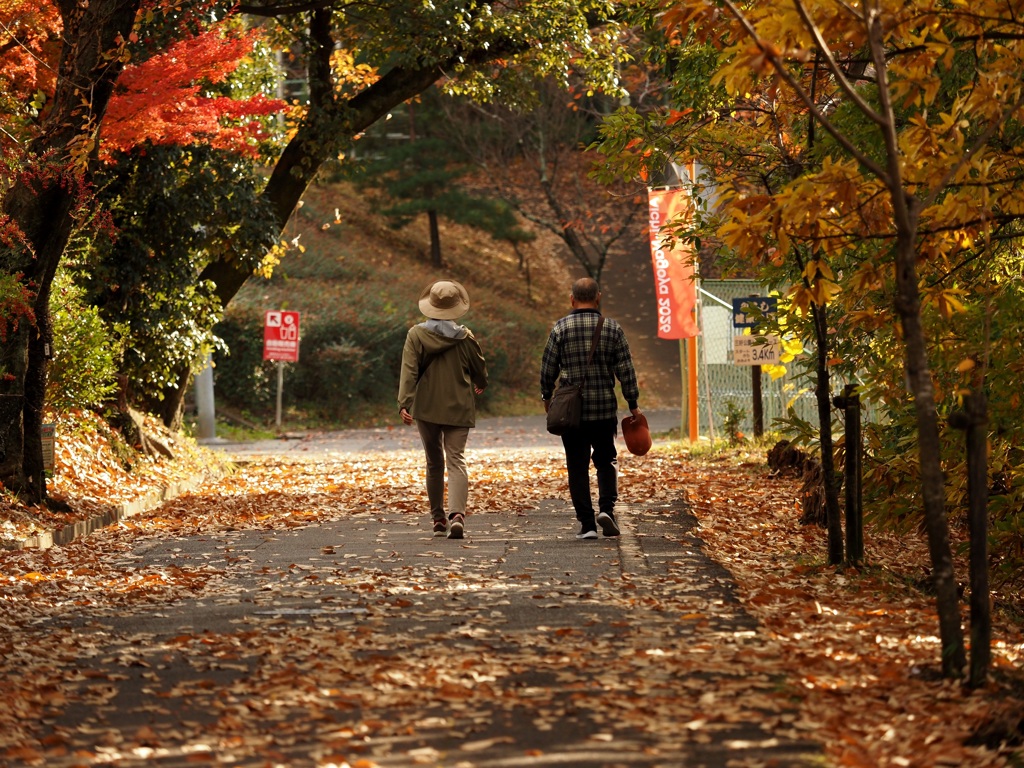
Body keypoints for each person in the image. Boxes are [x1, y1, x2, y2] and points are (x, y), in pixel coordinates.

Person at [540, 277, 641, 539]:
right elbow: (626, 370)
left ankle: (587, 525)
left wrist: (546, 397)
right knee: (606, 460)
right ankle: (606, 509)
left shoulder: (560, 328)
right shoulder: (612, 329)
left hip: (570, 413)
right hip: (603, 409)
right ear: (598, 297)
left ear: (572, 299)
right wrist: (633, 403)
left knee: (577, 465)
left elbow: (548, 368)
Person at [398, 279, 488, 539]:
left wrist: (404, 402)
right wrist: (480, 383)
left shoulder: (416, 334)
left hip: (426, 407)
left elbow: (409, 370)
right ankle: (457, 514)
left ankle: (438, 518)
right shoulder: (466, 336)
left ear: (430, 305)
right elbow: (479, 367)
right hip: (459, 405)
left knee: (434, 462)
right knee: (456, 459)